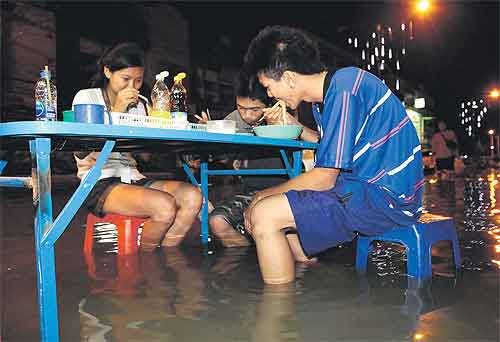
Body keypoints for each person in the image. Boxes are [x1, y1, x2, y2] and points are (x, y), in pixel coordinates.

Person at [242, 26, 424, 284]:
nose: (270, 95)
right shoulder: (330, 95)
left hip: (386, 198)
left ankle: (278, 314)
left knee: (265, 214)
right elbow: (337, 148)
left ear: (290, 79)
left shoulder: (344, 89)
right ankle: (310, 275)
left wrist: (260, 196)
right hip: (374, 190)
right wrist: (294, 127)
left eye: (269, 87)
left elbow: (325, 178)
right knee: (284, 210)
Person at [72, 42, 202, 251]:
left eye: (138, 80)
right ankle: (147, 261)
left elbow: (151, 151)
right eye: (125, 79)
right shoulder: (88, 98)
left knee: (193, 196)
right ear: (107, 71)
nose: (132, 87)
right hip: (98, 180)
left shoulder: (142, 103)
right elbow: (81, 150)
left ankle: (167, 253)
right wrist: (118, 110)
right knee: (164, 206)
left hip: (133, 176)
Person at [196, 71, 318, 247]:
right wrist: (209, 133)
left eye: (254, 109)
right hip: (252, 192)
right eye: (240, 107)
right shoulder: (234, 119)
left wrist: (277, 126)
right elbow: (222, 155)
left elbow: (309, 142)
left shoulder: (285, 112)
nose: (246, 115)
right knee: (217, 221)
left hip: (285, 189)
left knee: (291, 239)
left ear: (270, 101)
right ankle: (248, 262)